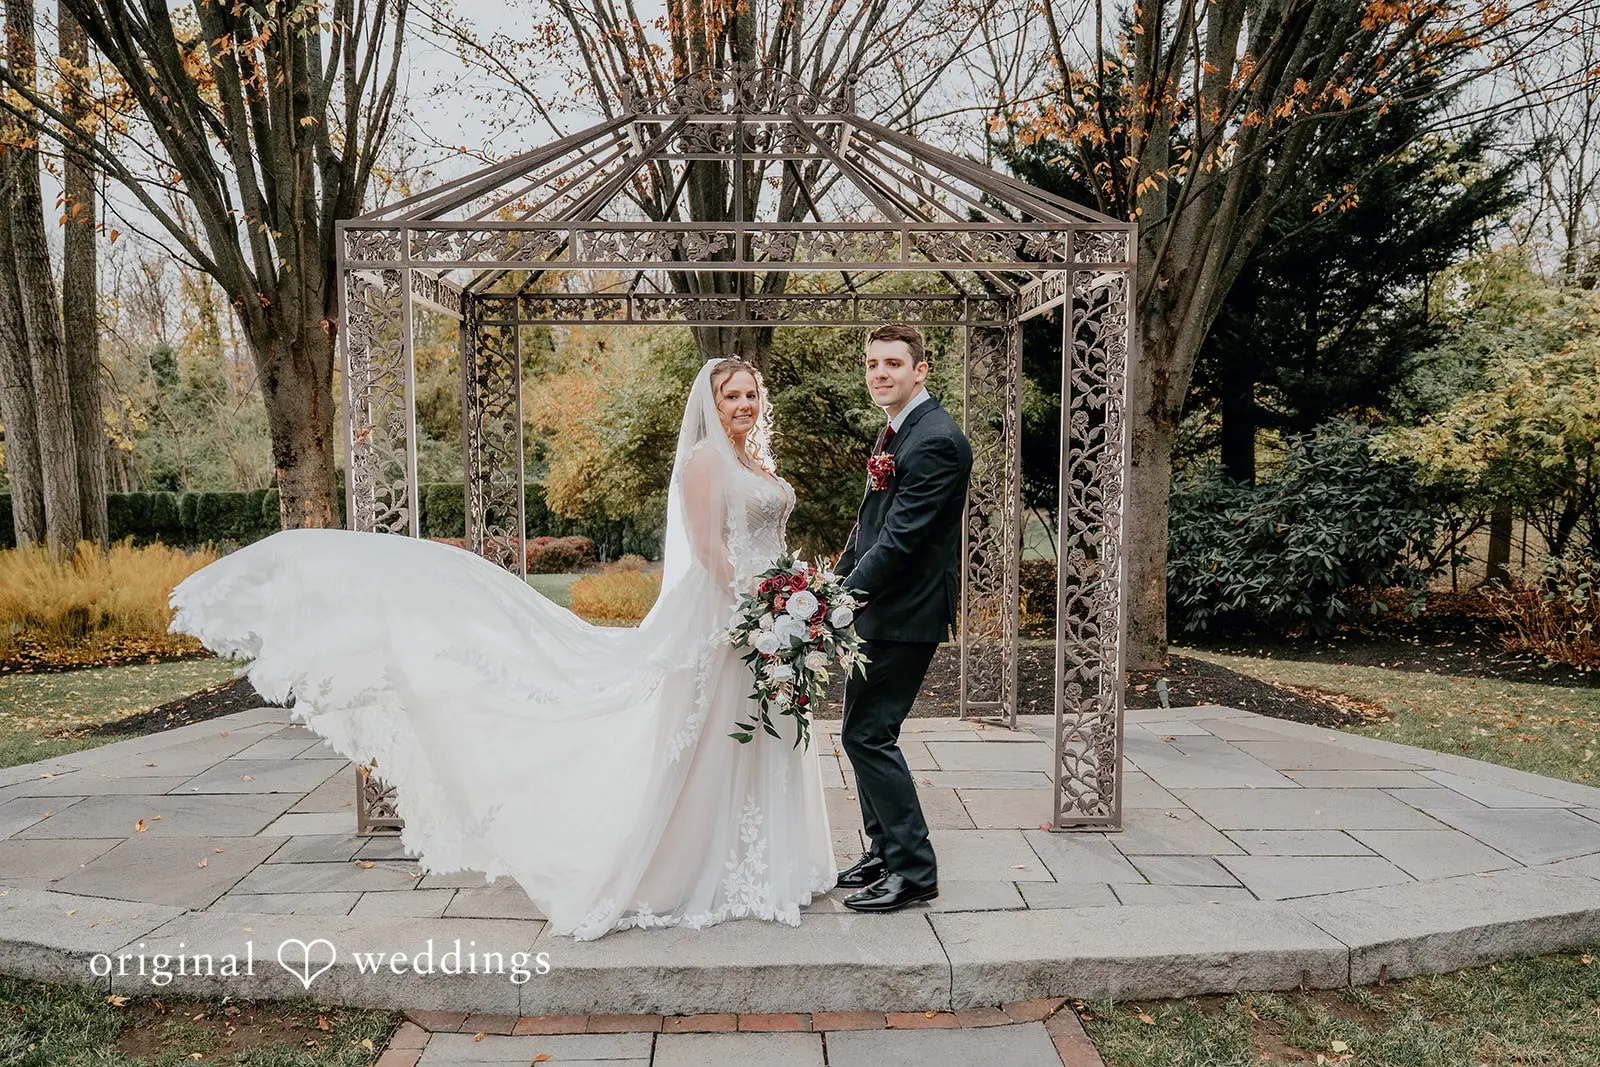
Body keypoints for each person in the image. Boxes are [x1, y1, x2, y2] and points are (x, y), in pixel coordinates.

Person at [169, 358, 835, 941]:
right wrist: (760, 615)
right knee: (705, 745)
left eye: (751, 395)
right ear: (711, 406)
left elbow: (765, 539)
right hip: (730, 619)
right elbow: (712, 550)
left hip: (770, 615)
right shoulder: (705, 462)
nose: (744, 405)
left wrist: (794, 603)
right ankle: (679, 872)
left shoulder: (755, 462)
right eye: (732, 397)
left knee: (754, 739)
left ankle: (758, 866)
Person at [833, 324, 974, 913]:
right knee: (859, 731)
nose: (880, 373)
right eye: (872, 363)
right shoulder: (897, 430)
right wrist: (830, 585)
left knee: (868, 734)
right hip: (881, 609)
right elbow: (869, 526)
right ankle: (884, 850)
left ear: (921, 370)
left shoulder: (936, 440)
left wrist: (846, 598)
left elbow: (901, 540)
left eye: (893, 363)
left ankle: (913, 870)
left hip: (904, 612)